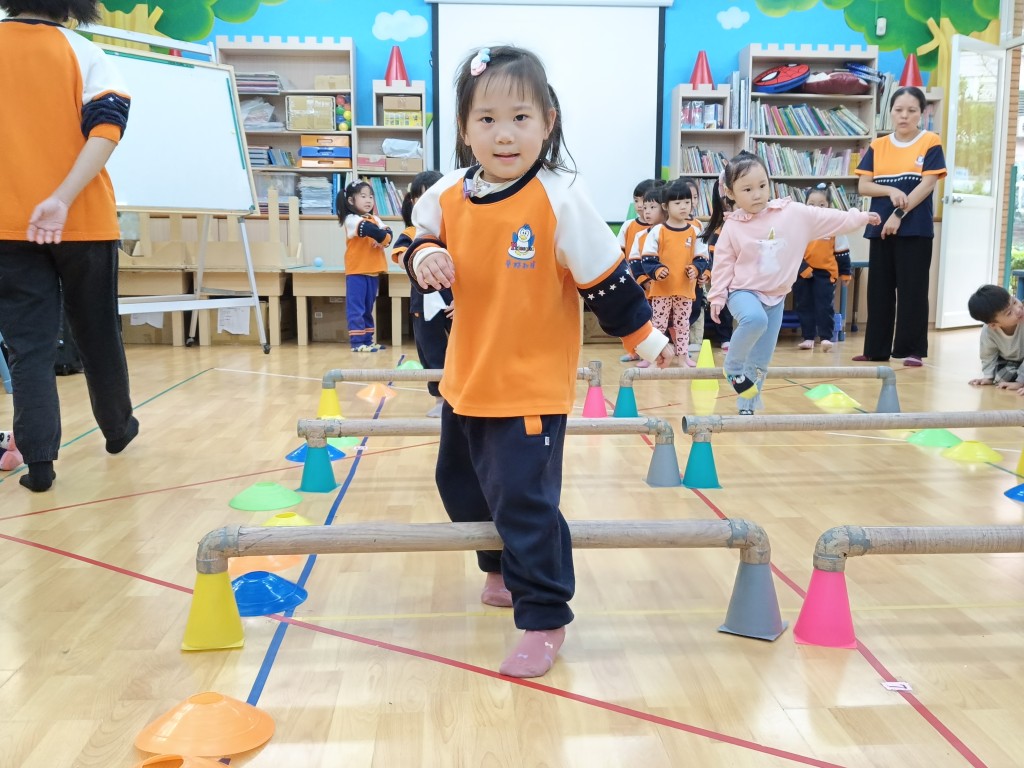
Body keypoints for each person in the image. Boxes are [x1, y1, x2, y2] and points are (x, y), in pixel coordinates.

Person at [401, 45, 672, 678]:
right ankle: (498, 568)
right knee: (461, 486)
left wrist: (646, 339)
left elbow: (606, 281)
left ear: (547, 123)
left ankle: (545, 615)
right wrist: (422, 255)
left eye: (521, 118)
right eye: (487, 119)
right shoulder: (447, 193)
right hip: (466, 378)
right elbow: (416, 232)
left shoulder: (560, 198)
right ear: (464, 129)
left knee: (524, 499)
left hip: (530, 384)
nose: (505, 134)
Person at [0, 0, 138, 492]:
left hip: (9, 226)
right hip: (84, 221)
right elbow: (107, 129)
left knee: (28, 347)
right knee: (98, 332)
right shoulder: (84, 51)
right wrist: (61, 197)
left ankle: (39, 462)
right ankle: (118, 430)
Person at [708, 153, 879, 414]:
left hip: (775, 297)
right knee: (755, 320)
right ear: (731, 193)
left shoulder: (793, 214)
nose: (757, 194)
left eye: (762, 185)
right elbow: (722, 263)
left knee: (761, 359)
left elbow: (831, 218)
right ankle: (732, 367)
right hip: (743, 292)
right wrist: (718, 295)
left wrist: (862, 217)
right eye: (747, 189)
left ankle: (747, 405)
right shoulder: (733, 226)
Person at [853, 86, 946, 367]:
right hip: (879, 227)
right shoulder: (878, 145)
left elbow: (927, 185)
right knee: (879, 290)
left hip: (915, 229)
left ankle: (912, 350)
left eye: (911, 110)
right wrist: (890, 189)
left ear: (922, 113)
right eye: (899, 110)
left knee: (912, 290)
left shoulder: (930, 141)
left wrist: (898, 214)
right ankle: (876, 350)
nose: (904, 115)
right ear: (890, 112)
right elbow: (864, 185)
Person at [391, 170, 450, 416]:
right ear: (413, 202)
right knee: (431, 351)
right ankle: (440, 400)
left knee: (465, 350)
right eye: (421, 198)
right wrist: (421, 256)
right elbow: (401, 256)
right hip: (424, 305)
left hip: (456, 302)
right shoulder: (411, 233)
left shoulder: (455, 230)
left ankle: (464, 396)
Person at [640, 179, 707, 367]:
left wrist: (696, 269)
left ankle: (683, 357)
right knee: (658, 324)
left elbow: (702, 257)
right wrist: (657, 270)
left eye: (687, 202)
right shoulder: (658, 231)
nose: (684, 206)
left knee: (683, 324)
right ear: (666, 206)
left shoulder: (695, 231)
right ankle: (652, 357)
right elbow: (648, 257)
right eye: (677, 203)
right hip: (662, 289)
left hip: (685, 289)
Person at [793, 184, 852, 351]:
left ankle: (826, 337)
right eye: (811, 204)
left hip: (825, 273)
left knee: (824, 305)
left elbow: (842, 251)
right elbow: (793, 250)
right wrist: (803, 269)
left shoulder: (834, 227)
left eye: (821, 205)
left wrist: (845, 273)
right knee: (804, 305)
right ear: (805, 205)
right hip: (803, 273)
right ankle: (808, 337)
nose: (816, 208)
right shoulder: (800, 226)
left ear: (829, 206)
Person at [336, 181, 392, 352]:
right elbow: (372, 231)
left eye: (371, 196)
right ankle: (357, 343)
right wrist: (382, 237)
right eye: (363, 196)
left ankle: (368, 341)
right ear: (351, 200)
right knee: (357, 308)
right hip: (357, 272)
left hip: (373, 271)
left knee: (368, 308)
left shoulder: (374, 218)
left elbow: (388, 234)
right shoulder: (351, 219)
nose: (369, 200)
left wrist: (383, 238)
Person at [699, 175, 735, 350]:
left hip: (744, 276)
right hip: (720, 276)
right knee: (721, 303)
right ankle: (724, 337)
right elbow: (711, 254)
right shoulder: (718, 228)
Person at [966, 285, 1024, 392]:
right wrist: (988, 377)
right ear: (993, 325)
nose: (1018, 309)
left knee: (1015, 379)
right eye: (1009, 313)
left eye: (1015, 302)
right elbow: (987, 354)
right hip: (1012, 361)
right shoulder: (989, 332)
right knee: (1001, 378)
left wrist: (1021, 382)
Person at [617, 178, 661, 258]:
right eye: (636, 200)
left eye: (643, 200)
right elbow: (619, 252)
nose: (639, 205)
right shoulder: (628, 225)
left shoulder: (662, 228)